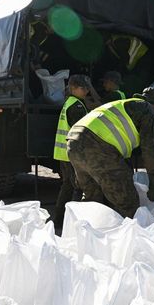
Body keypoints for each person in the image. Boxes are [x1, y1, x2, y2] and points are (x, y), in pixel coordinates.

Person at [66, 87, 154, 218]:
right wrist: (153, 181)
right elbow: (150, 149)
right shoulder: (147, 110)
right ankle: (130, 236)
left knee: (93, 199)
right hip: (96, 144)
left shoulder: (123, 105)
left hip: (73, 141)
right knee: (127, 202)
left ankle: (86, 234)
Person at [52, 75, 90, 228]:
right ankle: (68, 222)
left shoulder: (69, 102)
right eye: (83, 88)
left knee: (68, 186)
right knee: (76, 187)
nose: (86, 90)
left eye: (87, 88)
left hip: (64, 153)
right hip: (72, 155)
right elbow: (81, 133)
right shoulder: (77, 106)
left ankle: (58, 219)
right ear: (73, 88)